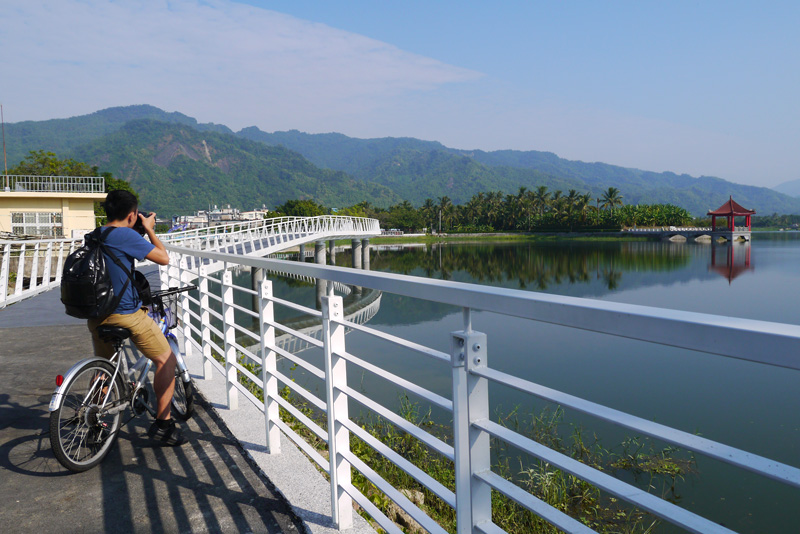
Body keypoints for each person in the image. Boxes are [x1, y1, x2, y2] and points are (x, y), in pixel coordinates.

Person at [87, 190, 186, 446]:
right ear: (132, 214)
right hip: (125, 314)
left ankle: (94, 422)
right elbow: (163, 258)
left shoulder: (95, 235)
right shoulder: (125, 235)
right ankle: (164, 424)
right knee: (166, 360)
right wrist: (150, 229)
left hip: (97, 314)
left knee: (104, 367)